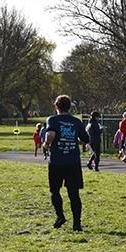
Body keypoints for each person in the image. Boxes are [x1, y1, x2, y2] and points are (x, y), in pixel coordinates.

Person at [43, 95, 90, 232]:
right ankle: (77, 223)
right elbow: (85, 139)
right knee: (74, 193)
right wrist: (75, 141)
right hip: (73, 161)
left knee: (55, 191)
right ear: (69, 107)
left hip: (57, 161)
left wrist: (46, 144)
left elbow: (50, 135)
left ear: (56, 106)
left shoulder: (52, 119)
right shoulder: (76, 122)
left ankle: (60, 216)